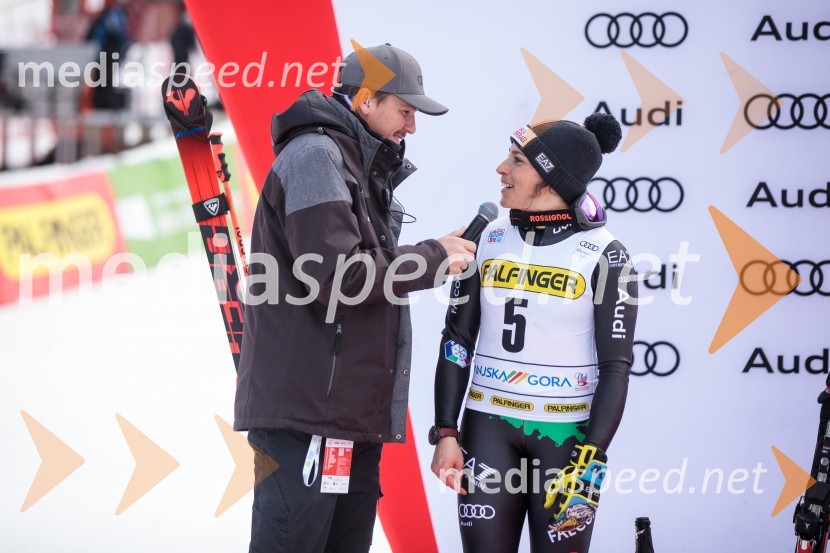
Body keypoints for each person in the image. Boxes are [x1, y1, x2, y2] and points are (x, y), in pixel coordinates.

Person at [234, 43, 476, 553]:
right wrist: (433, 257)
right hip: (307, 417)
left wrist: (434, 253)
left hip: (343, 417)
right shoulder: (316, 157)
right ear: (365, 100)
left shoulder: (356, 161)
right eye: (406, 111)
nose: (412, 126)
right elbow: (339, 278)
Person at [430, 113, 638, 552]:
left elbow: (616, 367)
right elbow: (456, 341)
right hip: (487, 428)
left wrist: (592, 460)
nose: (501, 170)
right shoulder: (487, 238)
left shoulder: (606, 254)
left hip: (567, 443)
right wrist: (446, 432)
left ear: (551, 177)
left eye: (517, 161)